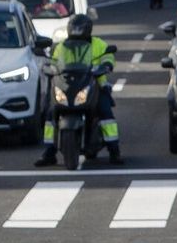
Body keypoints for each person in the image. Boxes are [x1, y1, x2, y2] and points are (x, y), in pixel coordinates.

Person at [35, 13, 121, 166]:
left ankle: (114, 150)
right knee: (50, 113)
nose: (76, 32)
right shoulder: (62, 46)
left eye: (79, 29)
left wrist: (106, 65)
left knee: (105, 111)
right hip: (67, 85)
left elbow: (108, 57)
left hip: (94, 83)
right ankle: (49, 152)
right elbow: (54, 62)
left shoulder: (98, 44)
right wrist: (50, 68)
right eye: (74, 28)